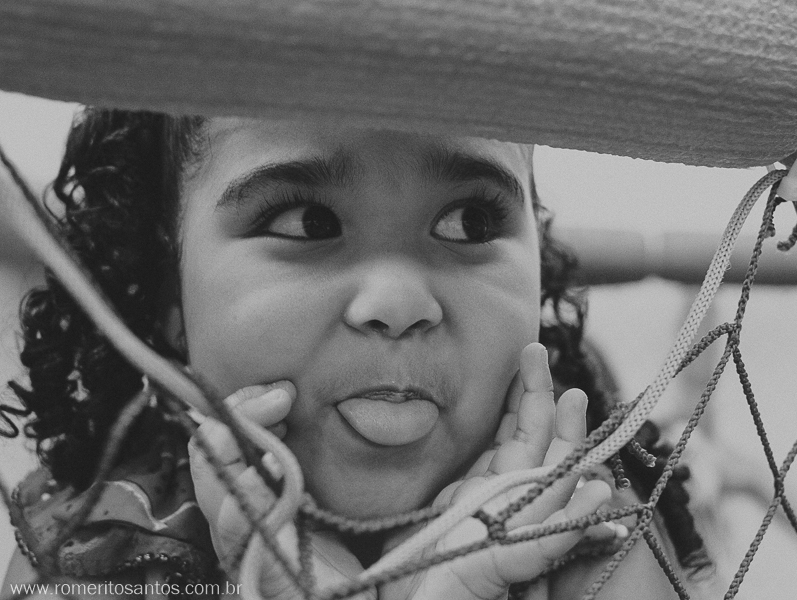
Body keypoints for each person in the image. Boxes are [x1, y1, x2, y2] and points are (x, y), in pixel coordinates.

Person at [1, 109, 706, 599]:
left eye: (468, 222)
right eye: (310, 222)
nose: (397, 303)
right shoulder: (93, 554)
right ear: (170, 300)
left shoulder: (589, 524)